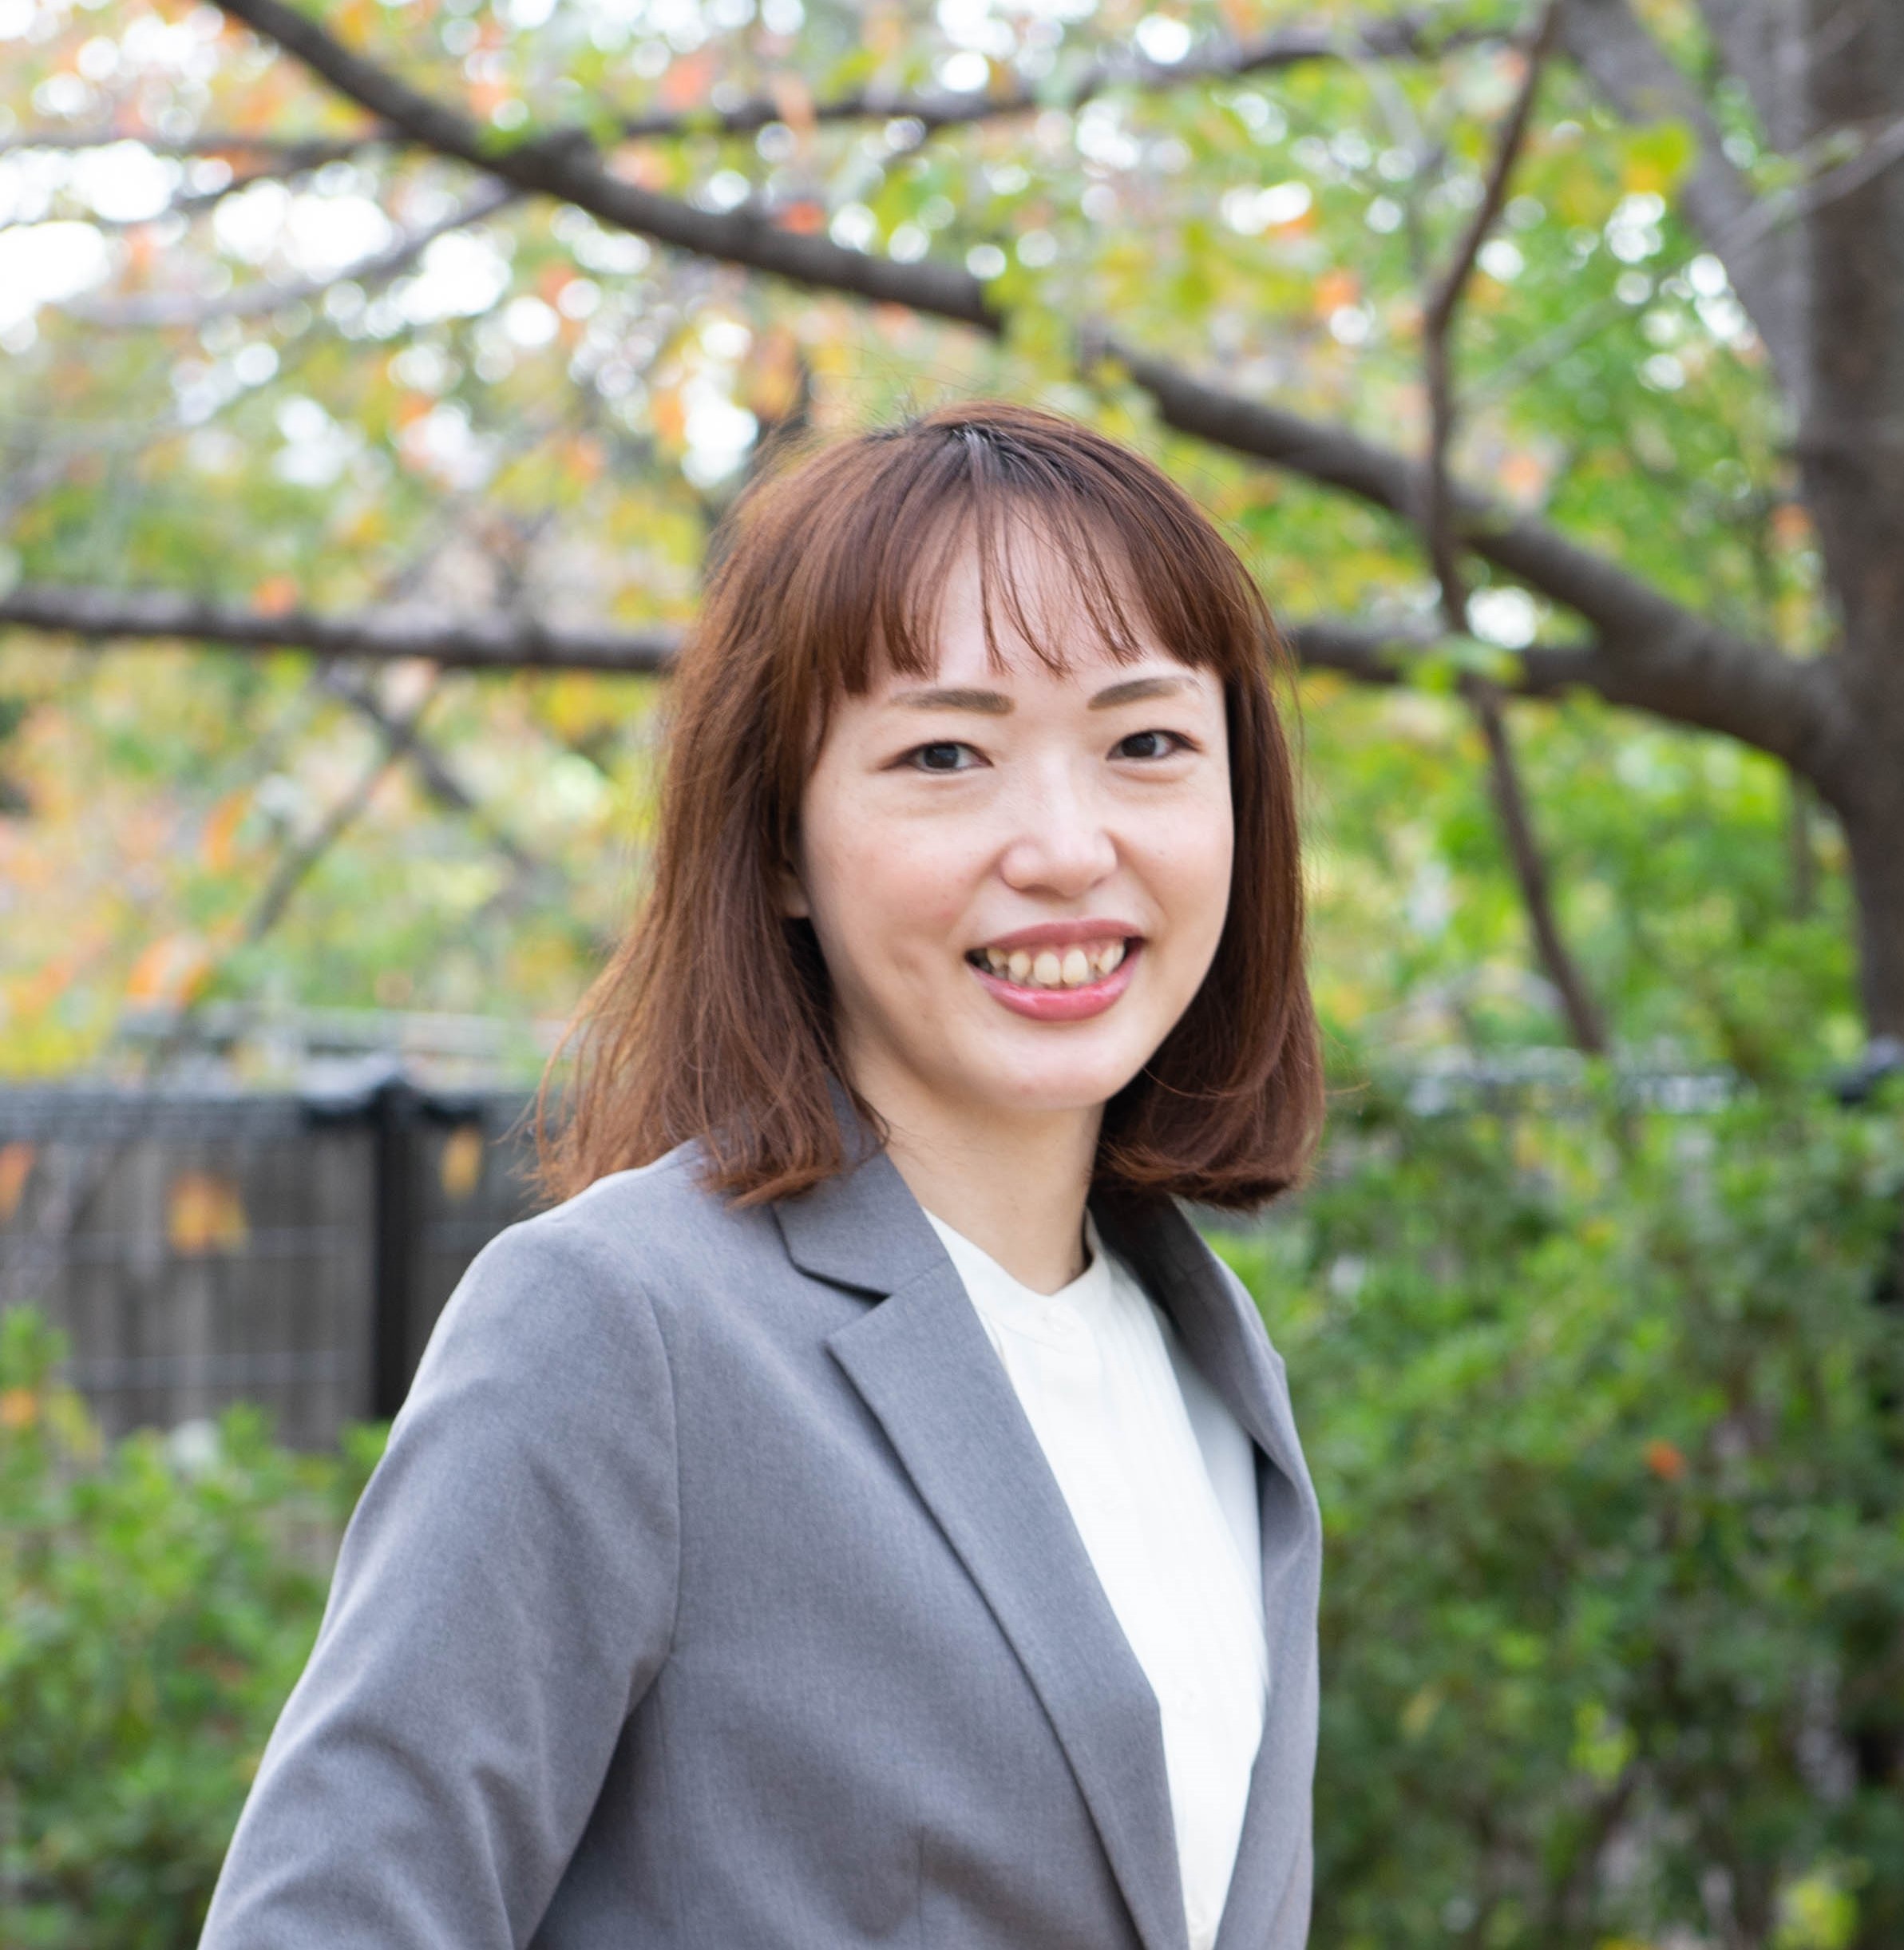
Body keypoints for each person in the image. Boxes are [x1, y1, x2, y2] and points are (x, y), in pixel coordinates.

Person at [197, 400, 1327, 1950]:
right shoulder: (621, 1326)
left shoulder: (1207, 1355)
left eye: (1144, 744)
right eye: (945, 752)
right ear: (782, 845)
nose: (1066, 847)